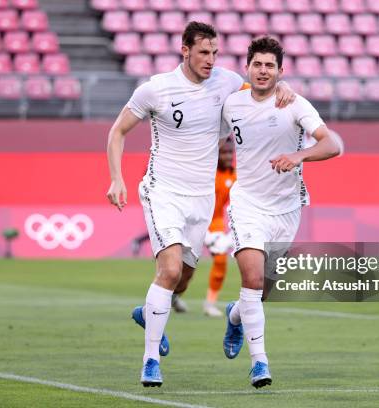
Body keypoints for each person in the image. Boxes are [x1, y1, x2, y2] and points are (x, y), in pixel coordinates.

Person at [106, 22, 295, 388]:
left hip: (201, 198)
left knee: (184, 277)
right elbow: (117, 131)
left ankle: (150, 313)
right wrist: (116, 178)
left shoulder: (224, 82)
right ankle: (149, 362)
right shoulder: (156, 89)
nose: (210, 60)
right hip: (163, 192)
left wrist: (282, 86)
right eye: (203, 52)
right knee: (171, 270)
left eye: (215, 53)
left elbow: (259, 90)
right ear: (185, 50)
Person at [220, 36, 343, 388]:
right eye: (257, 64)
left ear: (280, 71)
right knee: (253, 280)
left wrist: (299, 156)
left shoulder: (293, 103)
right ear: (248, 68)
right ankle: (260, 363)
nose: (263, 70)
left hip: (287, 208)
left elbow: (332, 143)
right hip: (246, 203)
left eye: (269, 66)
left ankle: (234, 316)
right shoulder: (232, 104)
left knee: (263, 291)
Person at [203, 137, 236, 317]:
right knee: (184, 266)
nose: (228, 156)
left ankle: (210, 303)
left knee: (221, 260)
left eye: (230, 152)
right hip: (196, 220)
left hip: (215, 222)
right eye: (224, 152)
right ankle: (173, 296)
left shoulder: (233, 175)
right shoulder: (206, 172)